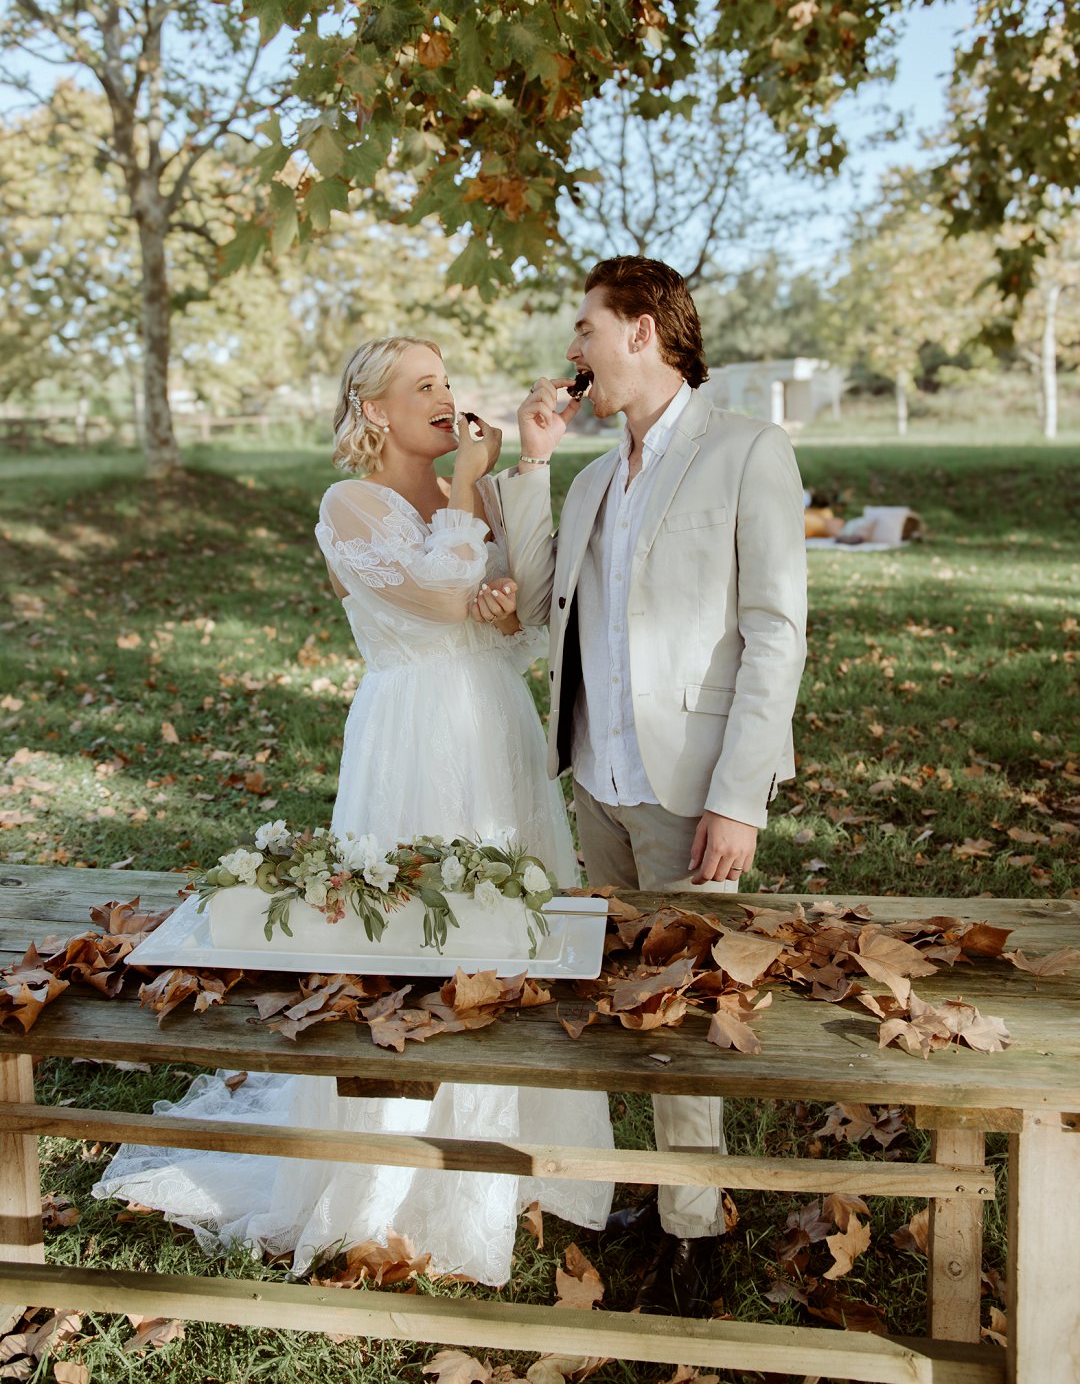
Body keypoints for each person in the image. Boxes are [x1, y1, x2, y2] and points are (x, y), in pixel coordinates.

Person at [95, 336, 614, 1286]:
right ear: (373, 409)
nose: (447, 396)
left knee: (507, 928)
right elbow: (443, 598)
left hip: (495, 726)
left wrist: (505, 552)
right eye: (423, 385)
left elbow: (521, 618)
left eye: (447, 380)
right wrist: (471, 505)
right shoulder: (351, 505)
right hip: (413, 733)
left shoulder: (473, 490)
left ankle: (515, 1154)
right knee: (413, 937)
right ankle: (393, 1175)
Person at [490, 257, 807, 1313]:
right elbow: (539, 604)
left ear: (641, 330)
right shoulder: (590, 479)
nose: (571, 348)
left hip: (692, 787)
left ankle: (696, 1235)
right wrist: (533, 463)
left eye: (585, 327)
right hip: (599, 779)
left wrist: (740, 795)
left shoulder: (747, 449)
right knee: (628, 999)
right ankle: (671, 1197)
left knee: (688, 1010)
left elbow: (774, 633)